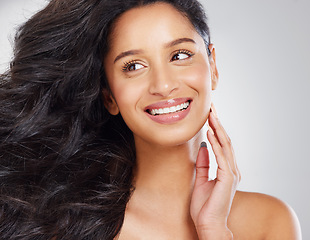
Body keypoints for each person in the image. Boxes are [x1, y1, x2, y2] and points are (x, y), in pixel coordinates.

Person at [0, 0, 301, 239]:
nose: (163, 85)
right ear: (109, 96)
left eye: (180, 55)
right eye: (133, 66)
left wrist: (213, 231)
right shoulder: (64, 227)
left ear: (213, 67)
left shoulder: (271, 222)